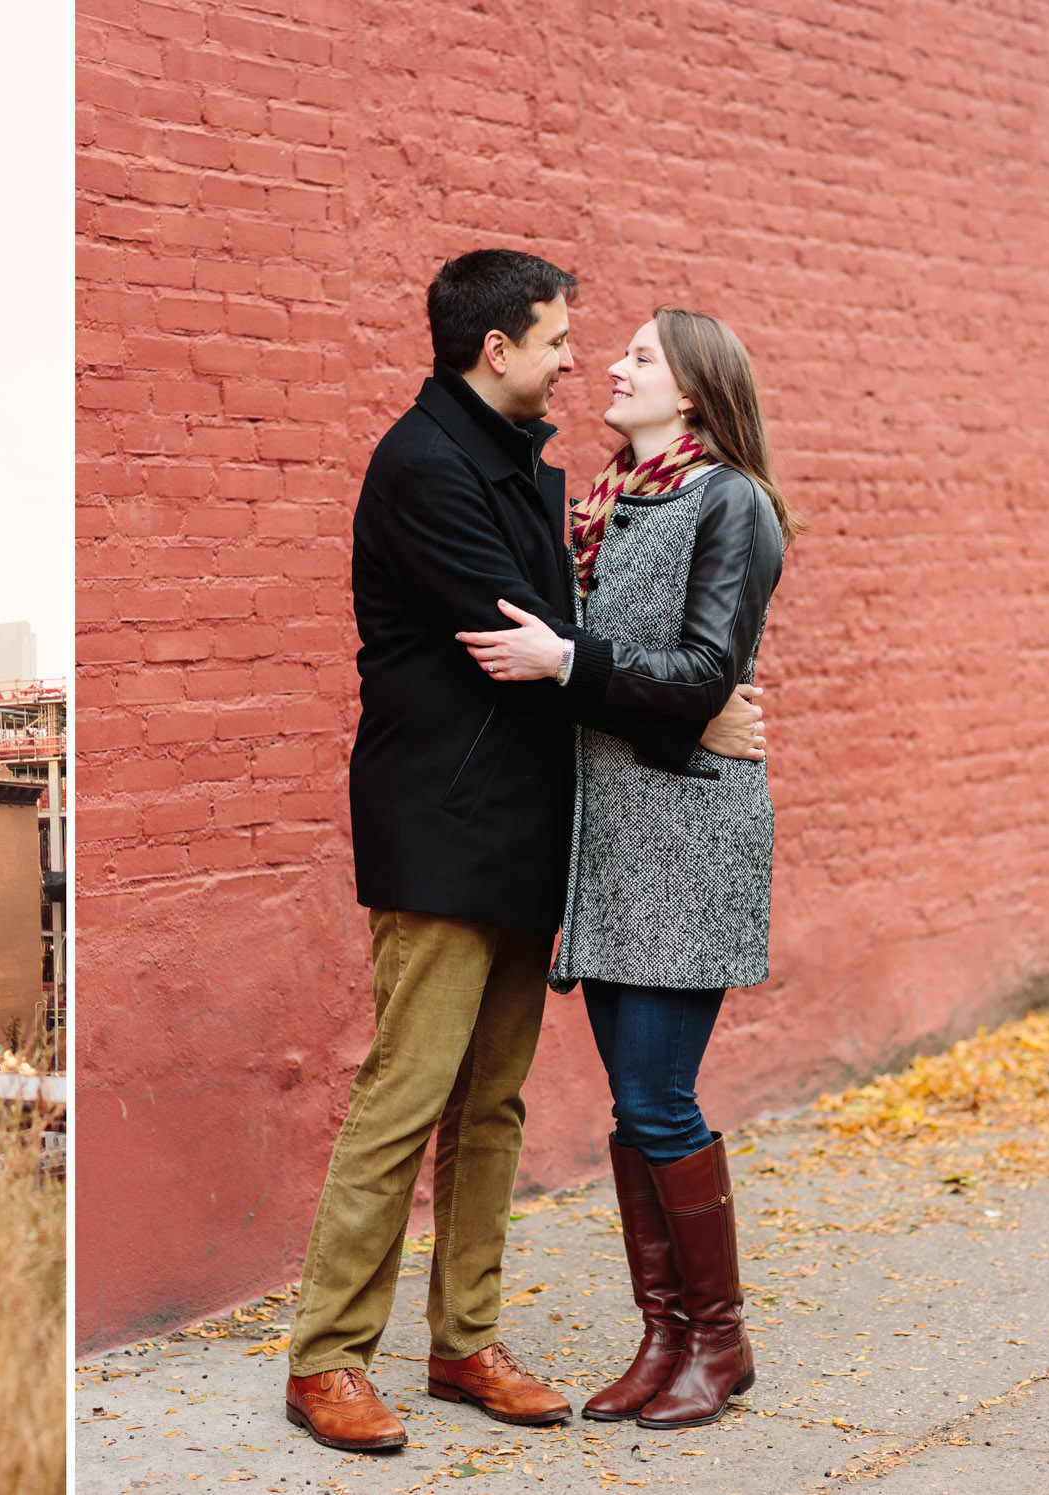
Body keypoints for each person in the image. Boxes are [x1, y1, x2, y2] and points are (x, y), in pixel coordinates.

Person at [284, 252, 767, 1455]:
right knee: (405, 1095)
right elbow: (530, 638)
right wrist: (686, 705)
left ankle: (463, 1342)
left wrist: (670, 691)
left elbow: (582, 642)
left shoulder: (540, 471)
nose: (576, 359)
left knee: (490, 1103)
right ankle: (329, 1358)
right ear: (494, 349)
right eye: (557, 339)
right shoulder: (424, 467)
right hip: (441, 829)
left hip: (531, 830)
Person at [456, 307, 798, 1430]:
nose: (610, 364)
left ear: (692, 391)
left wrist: (566, 658)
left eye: (641, 357)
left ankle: (722, 1339)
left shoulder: (728, 502)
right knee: (631, 1101)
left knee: (658, 1095)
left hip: (688, 833)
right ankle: (664, 1334)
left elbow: (703, 667)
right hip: (610, 835)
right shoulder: (610, 502)